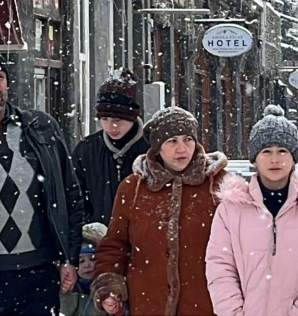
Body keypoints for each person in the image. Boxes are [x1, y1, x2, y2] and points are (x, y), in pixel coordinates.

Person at [206, 105, 298, 316]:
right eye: (266, 151)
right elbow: (220, 268)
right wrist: (233, 313)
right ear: (255, 158)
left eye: (282, 151)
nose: (275, 159)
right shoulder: (230, 210)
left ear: (293, 158)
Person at [91, 106, 228, 315]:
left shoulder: (219, 185)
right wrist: (110, 286)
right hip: (148, 305)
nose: (182, 149)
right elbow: (115, 245)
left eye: (187, 139)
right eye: (172, 141)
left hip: (207, 306)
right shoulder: (133, 188)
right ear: (158, 148)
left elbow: (240, 249)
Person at [0, 46, 83, 315]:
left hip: (38, 274)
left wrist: (69, 257)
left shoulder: (40, 128)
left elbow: (70, 196)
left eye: (0, 77)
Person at [73, 68, 149, 225]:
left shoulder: (153, 150)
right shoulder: (86, 151)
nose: (110, 127)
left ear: (133, 117)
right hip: (98, 237)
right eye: (104, 119)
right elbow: (74, 199)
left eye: (118, 120)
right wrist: (87, 227)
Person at [60, 223, 113, 316]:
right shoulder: (72, 288)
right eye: (81, 261)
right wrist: (66, 294)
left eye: (92, 259)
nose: (87, 265)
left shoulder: (111, 286)